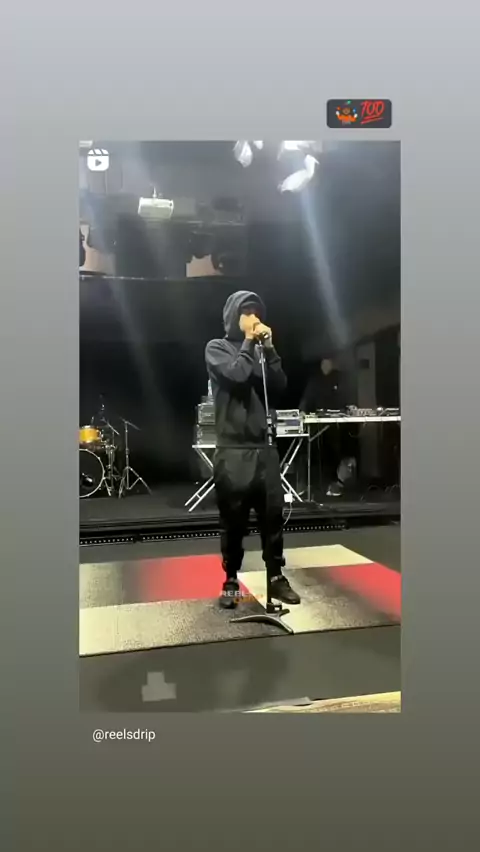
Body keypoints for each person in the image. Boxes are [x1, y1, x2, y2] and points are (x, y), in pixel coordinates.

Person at [205, 291, 301, 608]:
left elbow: (279, 385)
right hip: (233, 450)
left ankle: (276, 576)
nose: (254, 318)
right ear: (234, 316)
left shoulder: (260, 352)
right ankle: (231, 580)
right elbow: (236, 375)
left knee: (273, 517)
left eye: (257, 312)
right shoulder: (216, 348)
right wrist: (248, 341)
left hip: (264, 448)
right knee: (233, 521)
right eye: (247, 312)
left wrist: (269, 349)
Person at [300, 356, 356, 498]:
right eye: (324, 363)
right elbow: (306, 399)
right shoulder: (315, 381)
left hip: (337, 423)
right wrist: (302, 411)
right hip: (318, 423)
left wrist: (351, 406)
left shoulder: (340, 378)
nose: (326, 366)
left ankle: (337, 483)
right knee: (313, 450)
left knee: (338, 448)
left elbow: (347, 398)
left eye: (329, 363)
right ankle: (311, 485)